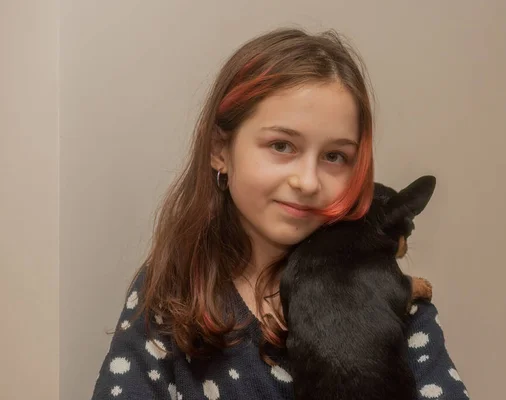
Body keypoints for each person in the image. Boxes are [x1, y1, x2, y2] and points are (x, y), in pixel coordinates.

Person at [92, 27, 469, 399]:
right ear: (220, 150)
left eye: (335, 156)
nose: (307, 181)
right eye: (282, 145)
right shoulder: (172, 289)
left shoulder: (387, 300)